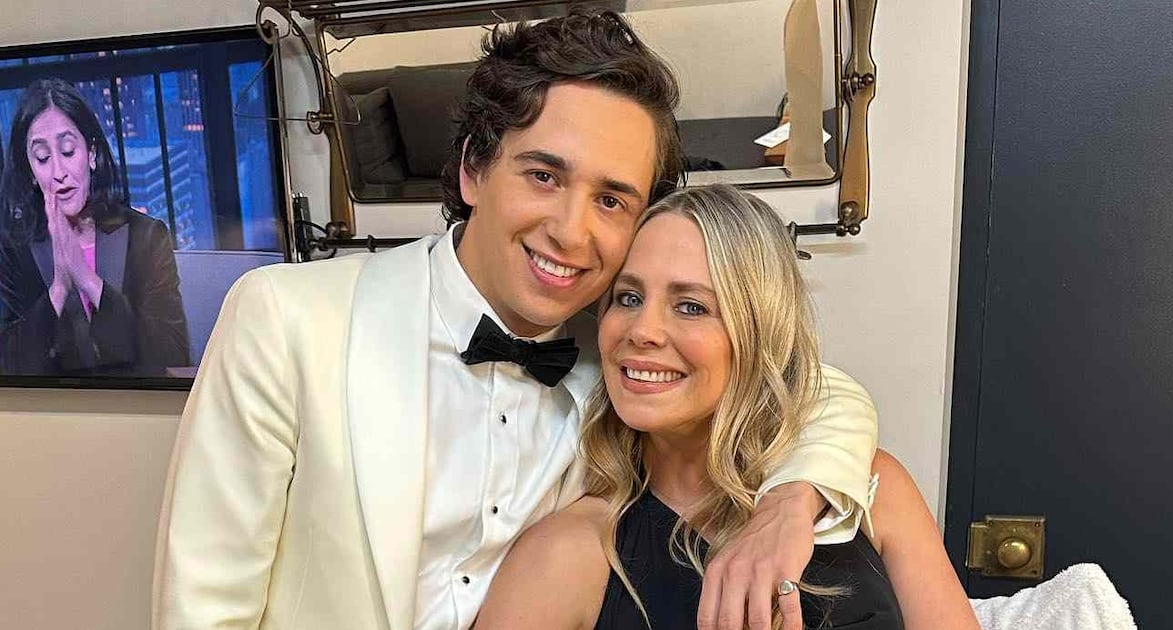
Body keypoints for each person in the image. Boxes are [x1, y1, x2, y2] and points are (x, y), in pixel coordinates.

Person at [153, 11, 877, 630]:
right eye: (544, 176)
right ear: (474, 169)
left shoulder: (624, 354)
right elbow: (204, 608)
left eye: (612, 200)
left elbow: (805, 386)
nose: (570, 230)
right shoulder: (286, 317)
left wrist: (791, 500)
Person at [475, 185, 981, 630]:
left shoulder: (874, 490)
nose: (642, 331)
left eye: (691, 306)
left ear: (760, 333)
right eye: (628, 298)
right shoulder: (565, 556)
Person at [0, 78, 188, 375]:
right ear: (32, 171)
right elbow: (8, 366)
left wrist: (87, 280)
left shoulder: (146, 237)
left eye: (68, 151)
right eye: (42, 158)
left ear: (91, 153)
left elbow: (173, 353)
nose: (59, 172)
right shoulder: (14, 249)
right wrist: (59, 289)